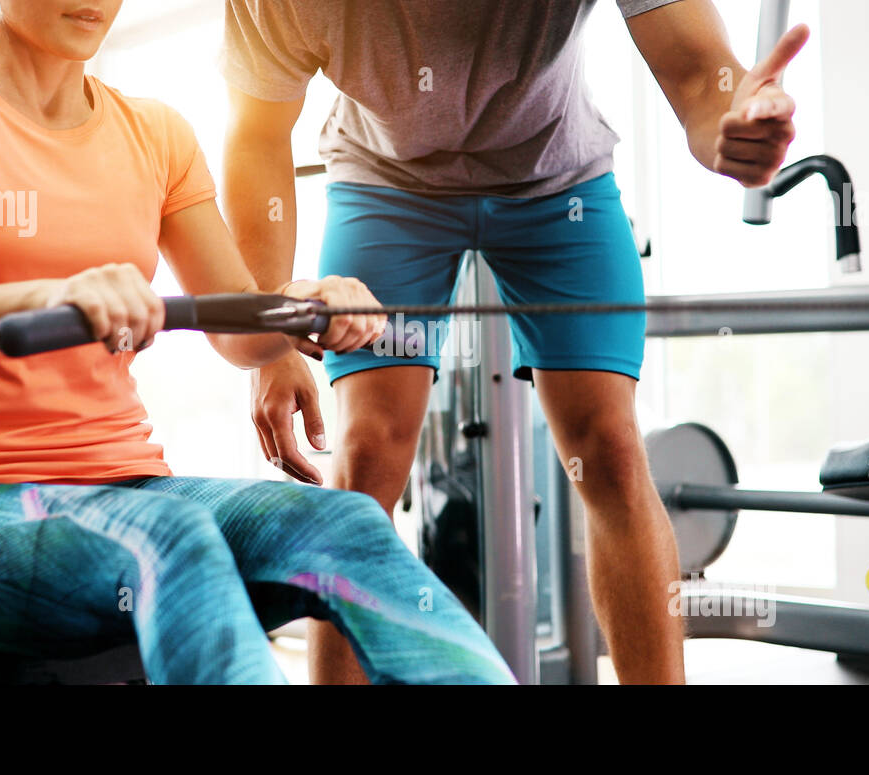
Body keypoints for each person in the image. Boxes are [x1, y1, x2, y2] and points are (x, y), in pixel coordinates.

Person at [0, 0, 516, 685]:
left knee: (345, 524)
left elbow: (238, 328)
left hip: (130, 488)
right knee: (168, 536)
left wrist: (300, 309)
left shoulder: (156, 133)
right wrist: (53, 293)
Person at [220, 0, 805, 684]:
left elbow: (705, 77)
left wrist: (728, 129)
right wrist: (270, 335)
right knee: (365, 460)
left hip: (558, 183)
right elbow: (256, 133)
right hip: (387, 183)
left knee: (610, 450)